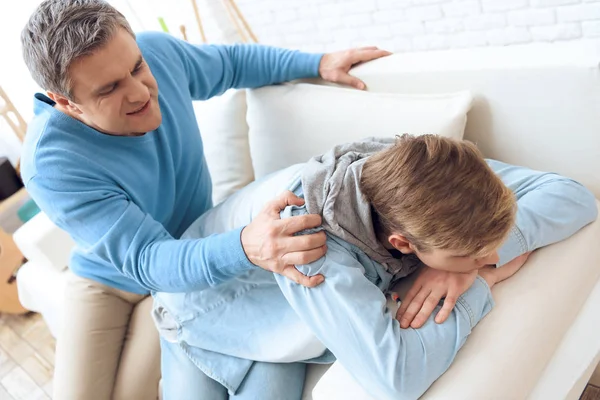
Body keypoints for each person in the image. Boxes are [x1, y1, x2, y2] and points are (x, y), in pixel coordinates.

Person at [18, 0, 391, 398]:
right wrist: (246, 245)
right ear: (65, 102)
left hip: (188, 257)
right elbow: (146, 259)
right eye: (109, 88)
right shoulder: (51, 164)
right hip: (108, 280)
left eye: (136, 67)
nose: (139, 91)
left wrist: (317, 63)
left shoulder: (159, 54)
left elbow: (231, 64)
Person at [153, 134, 598, 399]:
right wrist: (481, 281)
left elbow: (572, 195)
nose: (489, 258)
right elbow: (396, 380)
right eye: (472, 255)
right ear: (403, 242)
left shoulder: (419, 169)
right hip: (205, 308)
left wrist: (463, 264)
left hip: (287, 314)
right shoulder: (312, 244)